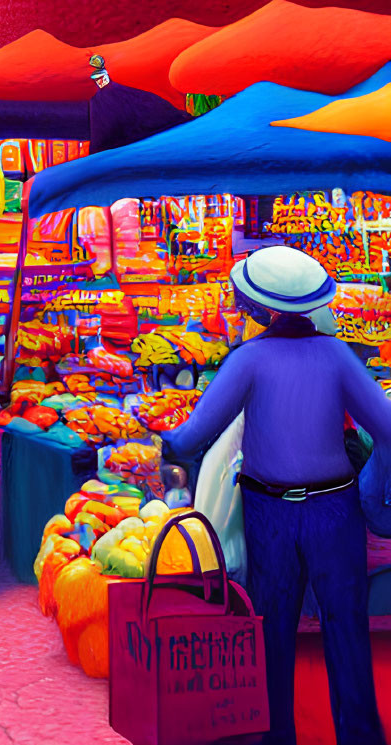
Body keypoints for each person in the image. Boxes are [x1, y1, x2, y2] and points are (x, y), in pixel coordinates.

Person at [162, 246, 391, 745]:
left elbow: (194, 433)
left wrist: (167, 445)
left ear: (259, 309)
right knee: (346, 630)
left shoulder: (249, 360)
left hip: (271, 514)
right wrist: (376, 489)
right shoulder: (336, 357)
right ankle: (361, 737)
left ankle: (274, 736)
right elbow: (388, 427)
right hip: (336, 508)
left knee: (273, 634)